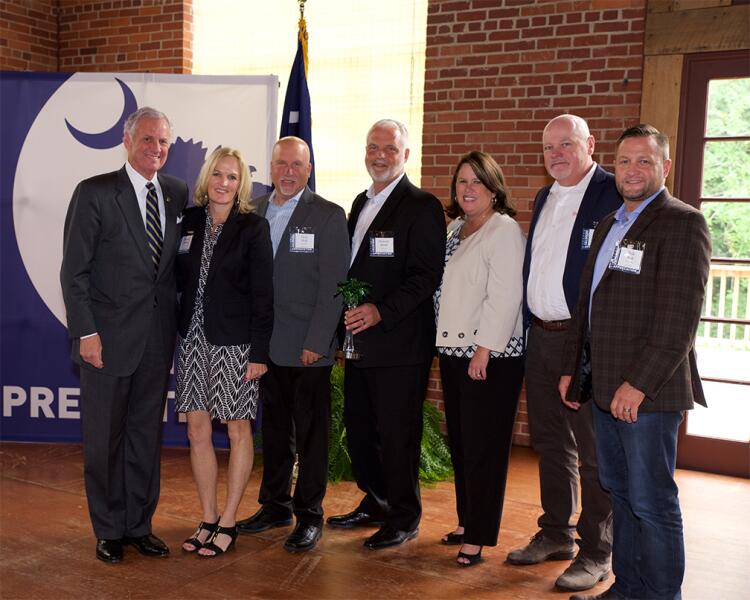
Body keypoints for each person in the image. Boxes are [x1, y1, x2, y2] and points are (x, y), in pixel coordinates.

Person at [559, 124, 710, 600]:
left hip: (648, 394)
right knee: (620, 496)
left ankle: (662, 595)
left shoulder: (682, 222)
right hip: (605, 390)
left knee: (653, 503)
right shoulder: (610, 222)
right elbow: (588, 305)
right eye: (625, 161)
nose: (632, 170)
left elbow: (678, 320)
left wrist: (637, 385)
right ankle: (629, 588)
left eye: (645, 161)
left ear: (664, 167)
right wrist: (574, 368)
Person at [60, 107, 188, 563]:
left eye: (164, 143)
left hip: (156, 341)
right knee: (103, 440)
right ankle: (109, 529)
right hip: (106, 342)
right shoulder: (94, 193)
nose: (157, 149)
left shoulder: (175, 193)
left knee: (143, 439)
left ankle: (139, 525)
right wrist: (87, 334)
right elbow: (74, 273)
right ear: (127, 140)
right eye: (149, 139)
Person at [507, 114, 619, 592]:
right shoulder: (545, 194)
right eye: (549, 147)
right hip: (543, 337)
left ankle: (598, 552)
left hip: (586, 339)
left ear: (589, 144)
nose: (556, 154)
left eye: (566, 144)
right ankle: (556, 532)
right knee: (550, 442)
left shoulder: (612, 193)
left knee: (593, 451)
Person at [326, 119, 445, 549]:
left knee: (397, 435)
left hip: (400, 343)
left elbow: (425, 276)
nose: (380, 155)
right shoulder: (359, 202)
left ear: (406, 155)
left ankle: (403, 515)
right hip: (360, 344)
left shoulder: (422, 205)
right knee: (361, 430)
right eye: (373, 147)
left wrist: (380, 311)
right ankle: (375, 500)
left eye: (390, 149)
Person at [236, 137, 350, 552]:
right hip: (266, 347)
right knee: (275, 429)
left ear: (308, 169)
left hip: (307, 349)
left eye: (296, 165)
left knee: (311, 437)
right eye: (280, 164)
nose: (287, 172)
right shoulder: (254, 211)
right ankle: (275, 505)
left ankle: (309, 515)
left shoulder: (328, 215)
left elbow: (334, 287)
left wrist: (318, 342)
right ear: (270, 167)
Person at [175, 147, 273, 558]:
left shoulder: (253, 227)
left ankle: (230, 520)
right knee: (197, 430)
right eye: (217, 174)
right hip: (191, 339)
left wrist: (259, 353)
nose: (223, 182)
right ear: (206, 178)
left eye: (232, 177)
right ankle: (209, 516)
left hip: (237, 344)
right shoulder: (190, 220)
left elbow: (264, 295)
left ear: (241, 184)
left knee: (236, 431)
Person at [435, 151, 525, 566]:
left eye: (477, 182)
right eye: (462, 182)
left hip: (489, 355)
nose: (468, 190)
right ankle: (466, 519)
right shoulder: (456, 227)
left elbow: (505, 296)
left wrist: (485, 349)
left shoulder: (502, 229)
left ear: (493, 188)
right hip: (455, 351)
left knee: (484, 448)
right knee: (463, 444)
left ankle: (479, 534)